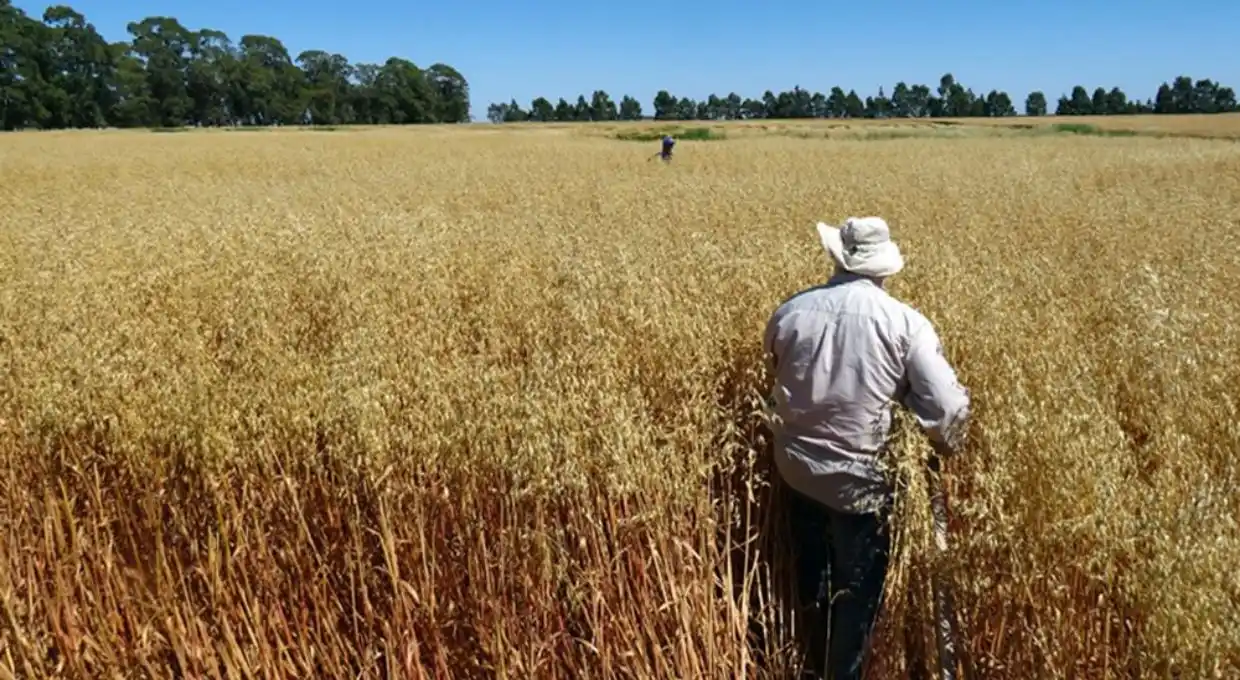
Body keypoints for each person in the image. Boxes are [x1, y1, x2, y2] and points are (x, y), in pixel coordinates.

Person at [761, 217, 971, 680]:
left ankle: (808, 662)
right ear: (885, 268)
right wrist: (943, 446)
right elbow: (949, 409)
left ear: (836, 257)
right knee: (857, 596)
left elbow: (774, 375)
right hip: (861, 486)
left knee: (812, 576)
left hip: (794, 469)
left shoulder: (792, 310)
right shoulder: (905, 323)